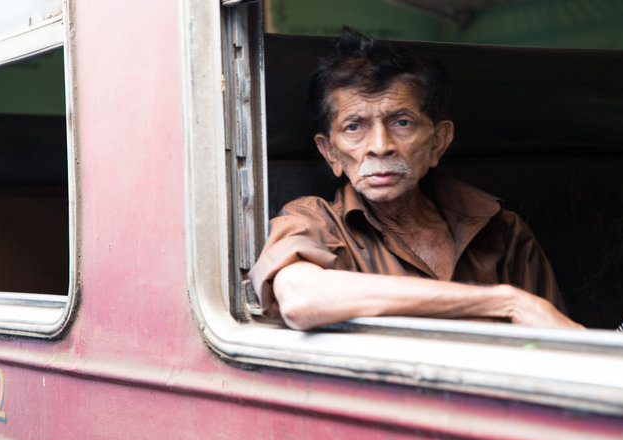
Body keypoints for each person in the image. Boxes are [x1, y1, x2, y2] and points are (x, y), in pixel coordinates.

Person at [249, 28, 583, 331]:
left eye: (402, 122)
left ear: (438, 141)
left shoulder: (503, 232)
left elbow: (562, 347)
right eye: (354, 127)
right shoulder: (314, 222)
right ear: (331, 153)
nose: (380, 147)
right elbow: (301, 299)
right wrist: (505, 301)